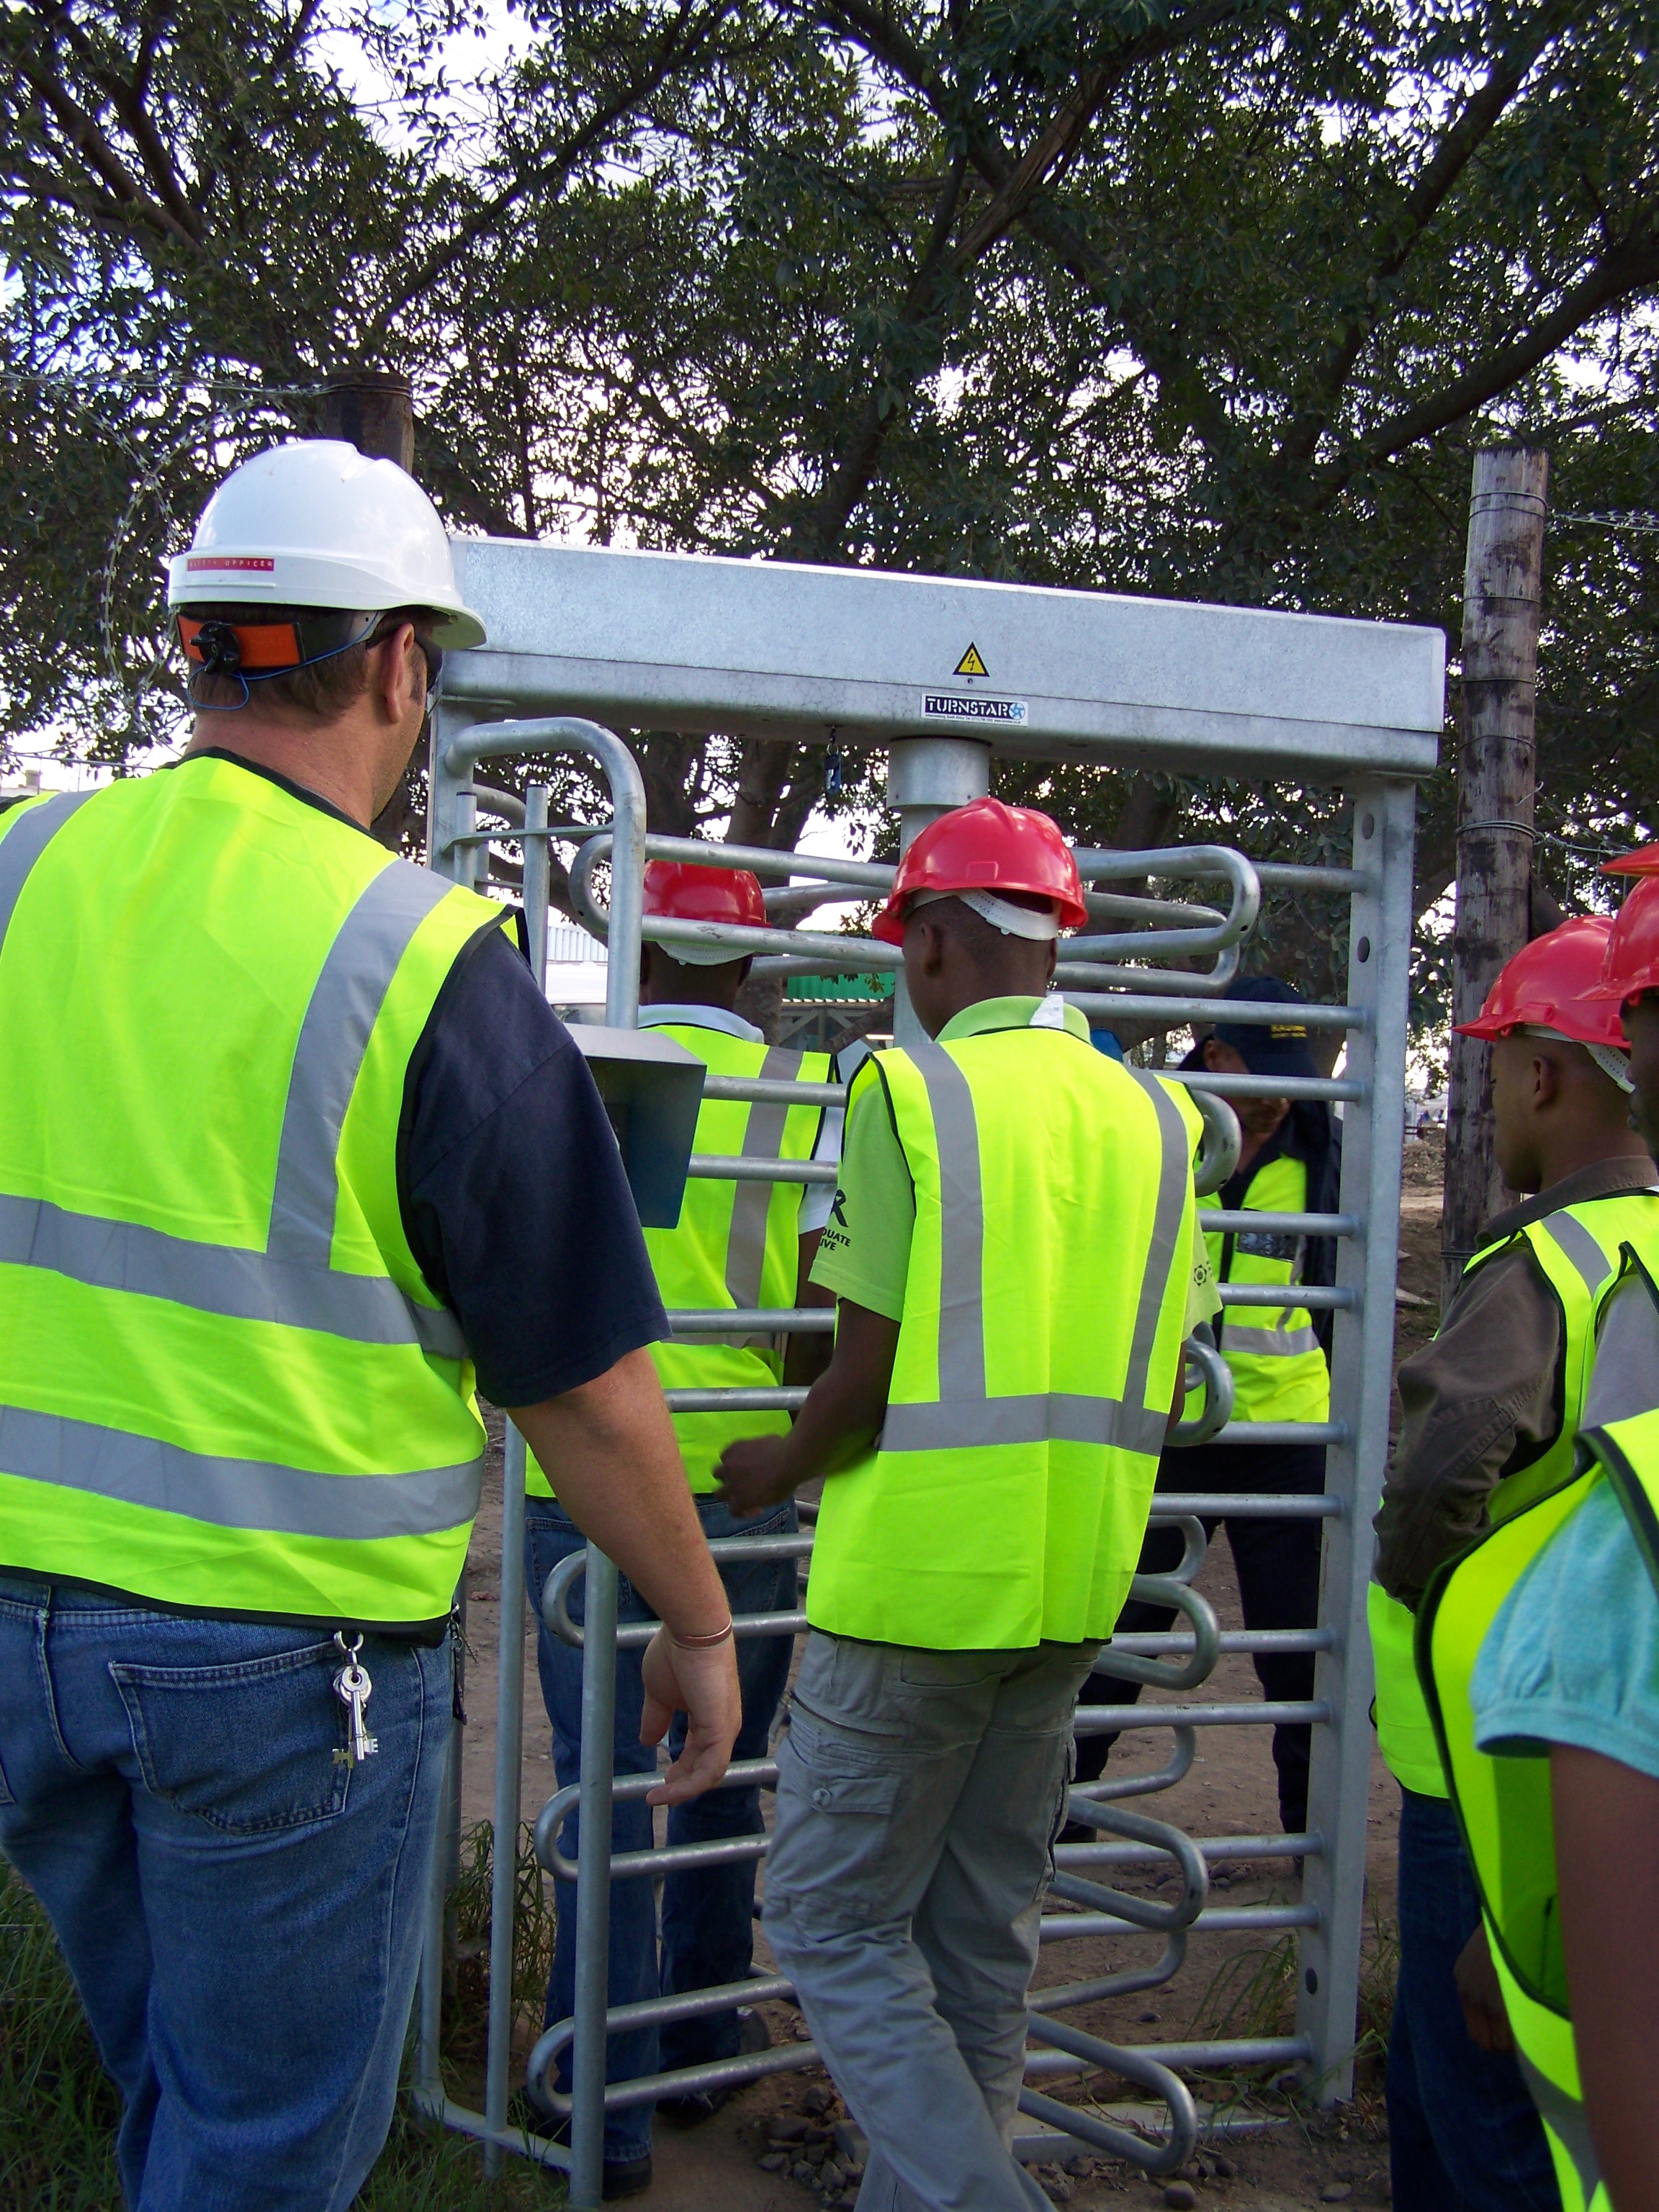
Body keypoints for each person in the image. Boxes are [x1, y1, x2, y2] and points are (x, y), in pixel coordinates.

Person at [0, 439, 739, 2212]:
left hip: (17, 1624)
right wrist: (696, 1621)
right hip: (279, 1662)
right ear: (406, 661)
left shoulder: (23, 863)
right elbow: (585, 1389)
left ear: (194, 642)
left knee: (174, 2096)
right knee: (259, 2153)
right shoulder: (423, 960)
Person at [714, 795, 1212, 2212]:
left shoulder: (907, 1093)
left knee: (825, 1922)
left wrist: (777, 1464)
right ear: (1056, 937)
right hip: (1074, 1593)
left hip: (917, 1588)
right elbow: (1168, 1364)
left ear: (930, 942)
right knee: (982, 1945)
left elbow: (855, 1374)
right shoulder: (1162, 1117)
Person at [523, 858, 841, 2192]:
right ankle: (706, 2030)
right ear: (749, 962)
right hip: (748, 1480)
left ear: (643, 951)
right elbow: (827, 1309)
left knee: (609, 1788)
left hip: (596, 1484)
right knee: (728, 1759)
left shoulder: (585, 1073)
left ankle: (599, 2110)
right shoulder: (814, 1095)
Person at [1370, 918, 1655, 2212]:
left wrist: (1436, 1607)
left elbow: (1438, 1481)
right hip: (1609, 1740)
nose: (1489, 1094)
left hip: (1478, 1756)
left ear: (1542, 1074)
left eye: (1492, 1068)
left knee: (1469, 2097)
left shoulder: (1534, 1266)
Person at [1072, 974, 1339, 1840]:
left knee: (1298, 1654)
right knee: (1117, 1637)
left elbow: (1338, 1301)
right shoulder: (1160, 1134)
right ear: (1215, 1056)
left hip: (1287, 1439)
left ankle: (1310, 1843)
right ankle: (1055, 1823)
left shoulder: (1322, 1150)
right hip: (1172, 1431)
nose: (1279, 1094)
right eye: (1263, 1070)